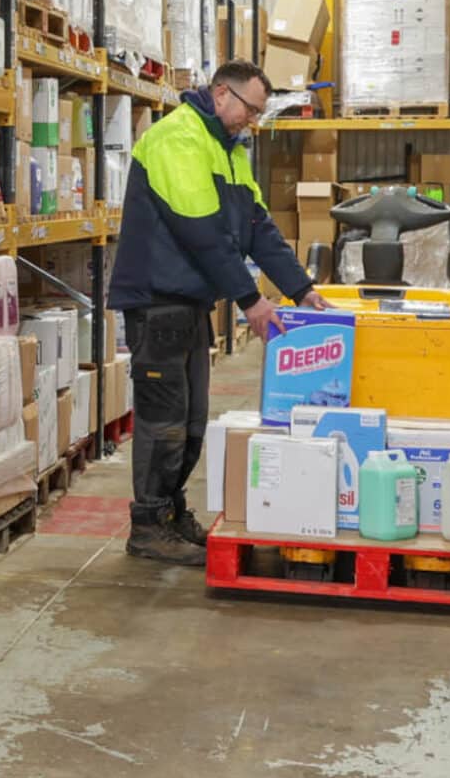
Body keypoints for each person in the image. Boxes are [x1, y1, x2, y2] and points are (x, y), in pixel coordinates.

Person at [107, 60, 327, 566]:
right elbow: (201, 233)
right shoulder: (176, 140)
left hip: (188, 303)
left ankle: (169, 513)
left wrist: (301, 290)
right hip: (157, 299)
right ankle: (147, 525)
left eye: (258, 113)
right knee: (163, 422)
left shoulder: (229, 151)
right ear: (221, 93)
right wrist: (251, 300)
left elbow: (256, 226)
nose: (251, 120)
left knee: (191, 423)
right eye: (249, 109)